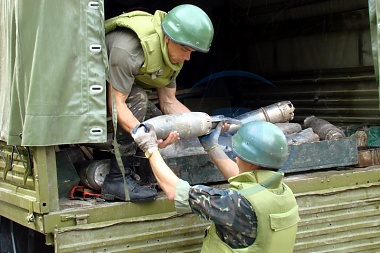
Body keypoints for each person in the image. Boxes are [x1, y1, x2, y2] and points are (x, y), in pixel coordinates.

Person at [101, 4, 214, 202]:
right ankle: (117, 178)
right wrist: (147, 140)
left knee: (157, 121)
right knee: (138, 100)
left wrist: (204, 126)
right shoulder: (129, 48)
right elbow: (117, 103)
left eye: (192, 53)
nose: (187, 58)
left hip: (119, 89)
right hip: (86, 89)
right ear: (168, 38)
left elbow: (169, 103)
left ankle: (141, 172)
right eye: (185, 50)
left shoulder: (171, 54)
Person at [131, 121, 300, 252]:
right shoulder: (284, 194)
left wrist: (150, 149)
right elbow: (243, 180)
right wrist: (212, 146)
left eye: (238, 154)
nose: (235, 158)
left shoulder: (235, 205)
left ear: (250, 162)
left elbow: (174, 191)